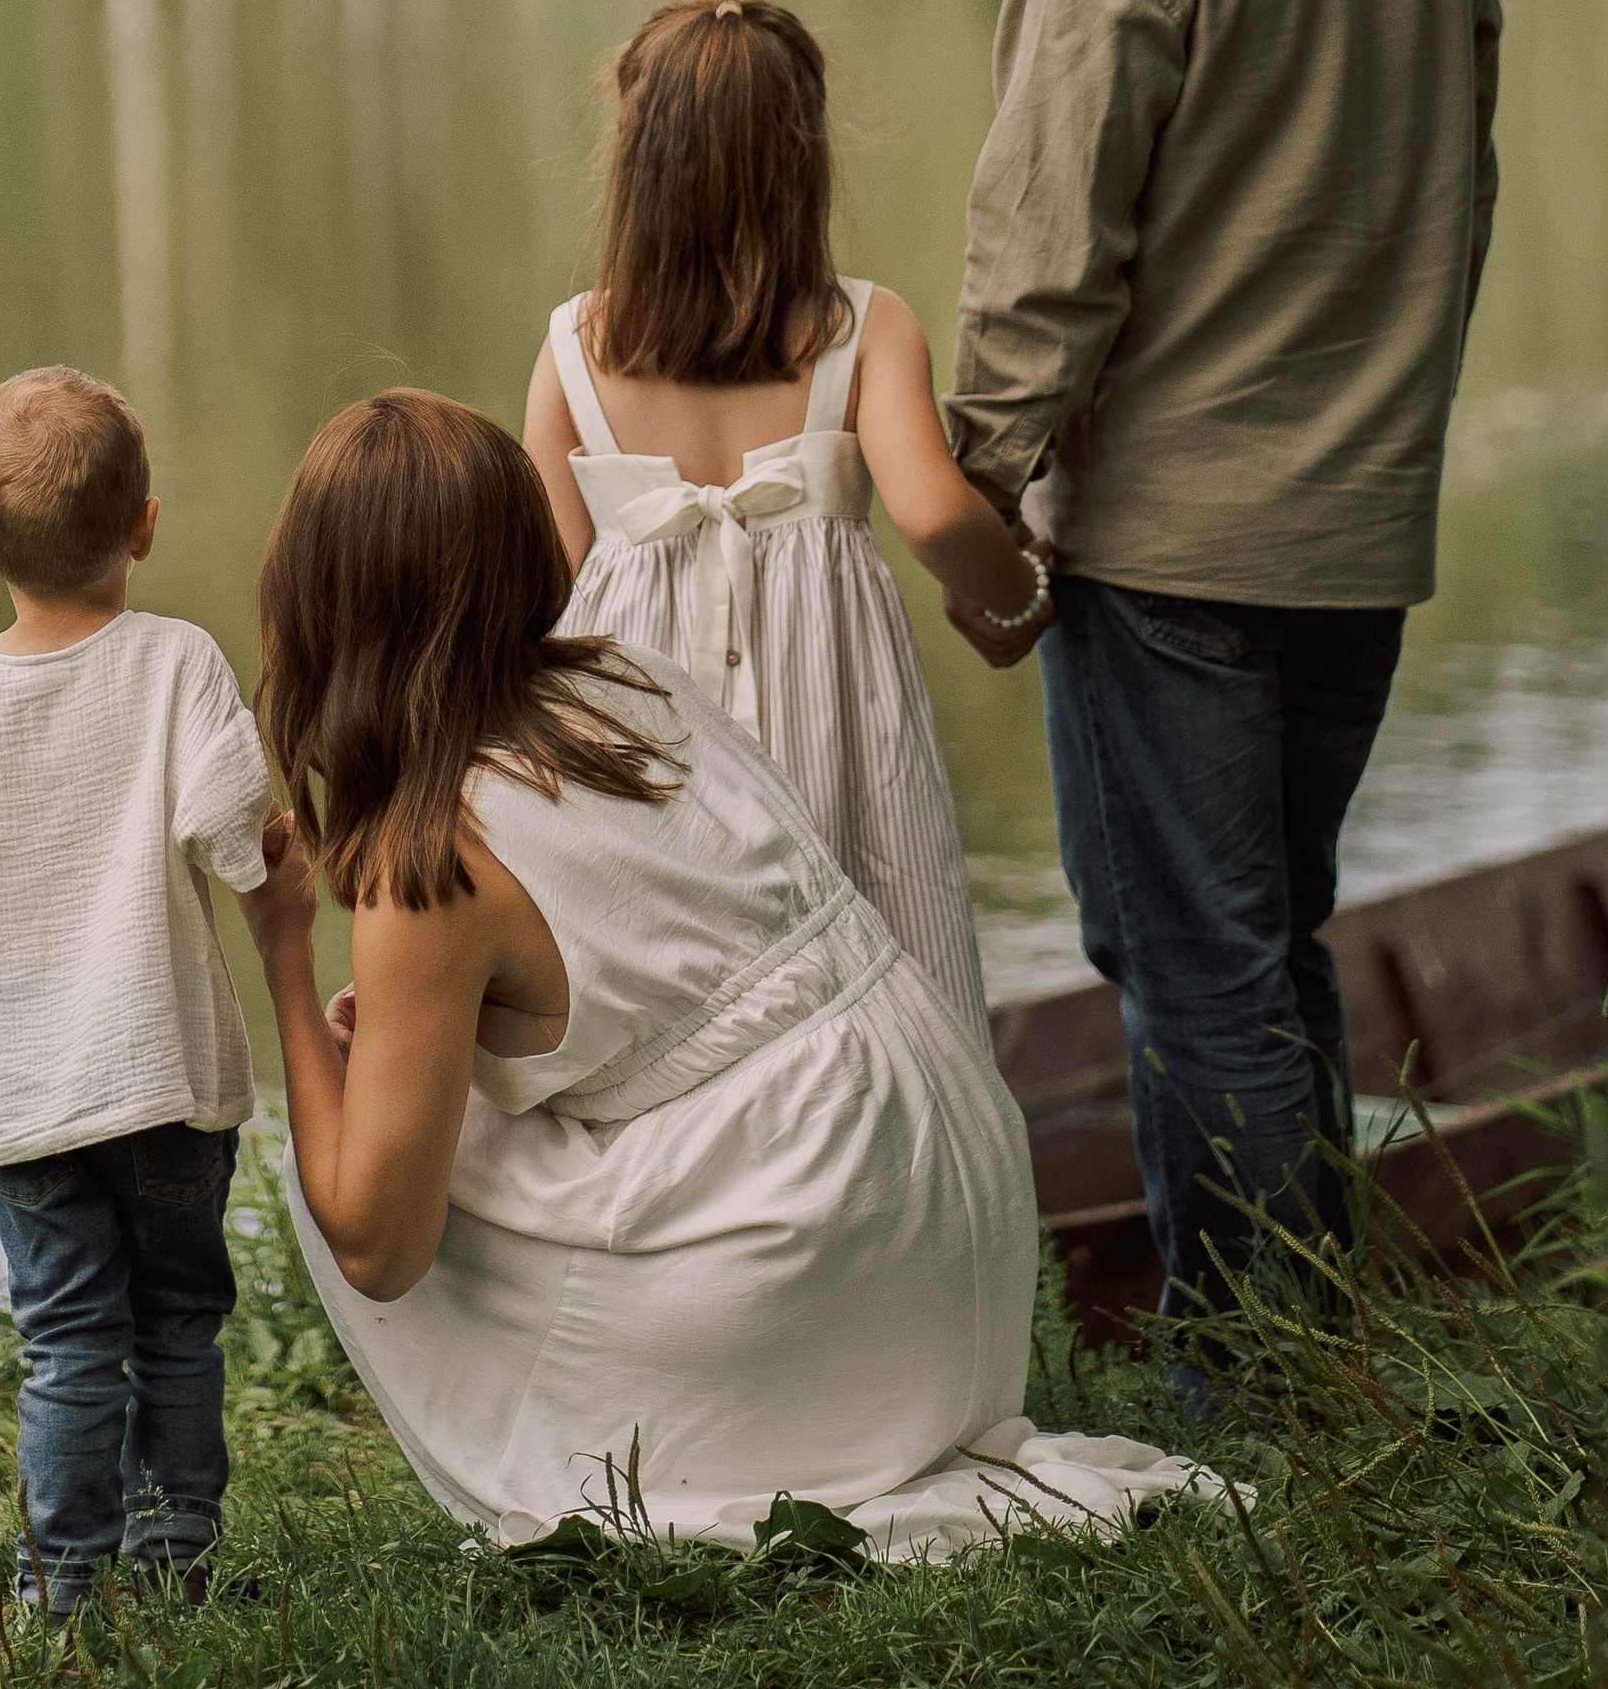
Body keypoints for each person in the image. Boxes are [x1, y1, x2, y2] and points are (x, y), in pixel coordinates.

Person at [236, 386, 1222, 1560]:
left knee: (340, 1146)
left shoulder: (431, 862)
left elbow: (377, 1252)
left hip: (810, 1255)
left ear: (315, 597)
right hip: (947, 1194)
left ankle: (652, 1438)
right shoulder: (622, 683)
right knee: (420, 1101)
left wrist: (285, 956)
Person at [944, 0, 1503, 1352]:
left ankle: (1254, 1394)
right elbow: (1455, 189)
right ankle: (1312, 1358)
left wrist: (974, 513)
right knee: (1274, 949)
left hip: (1175, 541)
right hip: (1360, 524)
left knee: (1196, 975)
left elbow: (1039, 262)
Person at [523, 0, 1046, 1033]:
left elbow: (540, 583)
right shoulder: (862, 328)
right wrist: (1022, 592)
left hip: (642, 728)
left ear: (633, 158)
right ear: (801, 159)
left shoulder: (575, 346)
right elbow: (937, 518)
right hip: (830, 709)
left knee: (658, 980)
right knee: (875, 949)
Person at [0, 365, 272, 1614]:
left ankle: (67, 1588)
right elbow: (231, 826)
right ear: (145, 521)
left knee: (69, 1340)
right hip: (163, 1082)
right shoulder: (177, 664)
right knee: (178, 1321)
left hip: (20, 1090)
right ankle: (176, 1557)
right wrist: (271, 867)